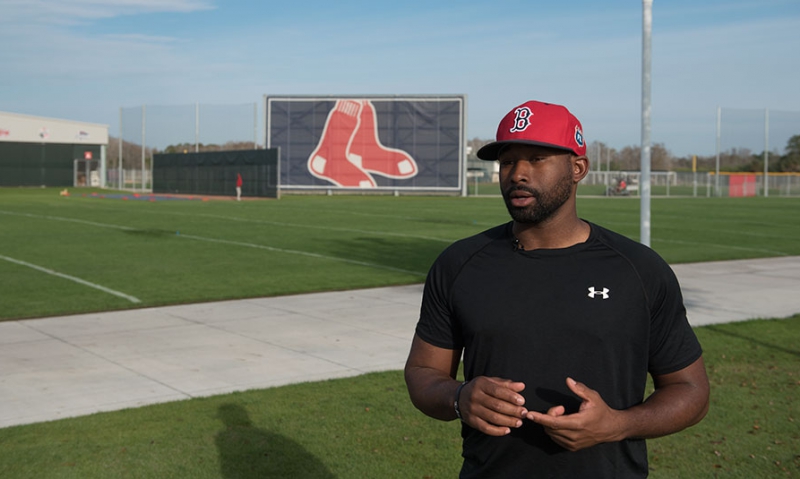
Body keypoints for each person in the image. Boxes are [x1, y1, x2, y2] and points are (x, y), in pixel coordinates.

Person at [404, 100, 709, 478]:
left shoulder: (639, 270)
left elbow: (691, 390)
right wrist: (459, 397)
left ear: (577, 168)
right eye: (508, 161)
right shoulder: (459, 264)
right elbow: (422, 371)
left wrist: (618, 424)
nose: (517, 174)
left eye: (536, 158)